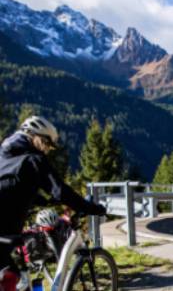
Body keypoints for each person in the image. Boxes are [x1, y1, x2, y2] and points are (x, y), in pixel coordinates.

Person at [0, 116, 106, 291]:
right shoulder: (34, 160)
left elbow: (11, 185)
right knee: (9, 277)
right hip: (4, 230)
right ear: (36, 137)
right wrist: (91, 208)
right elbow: (61, 191)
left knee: (12, 275)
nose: (48, 150)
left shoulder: (4, 154)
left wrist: (40, 200)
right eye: (47, 144)